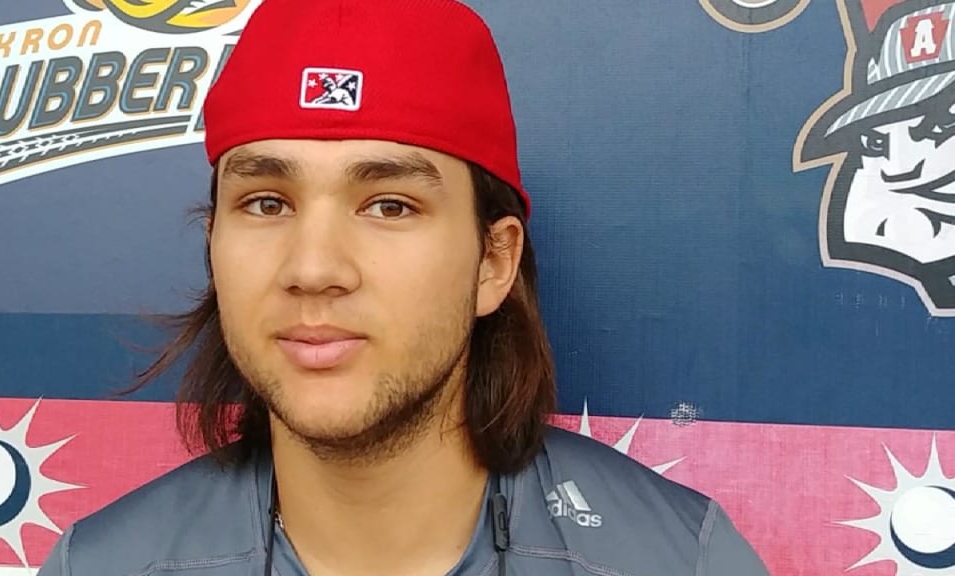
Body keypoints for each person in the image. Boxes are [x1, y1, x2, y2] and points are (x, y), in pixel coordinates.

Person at [38, 0, 770, 574]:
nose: (314, 268)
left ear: (493, 263)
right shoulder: (104, 564)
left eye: (390, 205)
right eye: (266, 202)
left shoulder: (677, 560)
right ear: (213, 245)